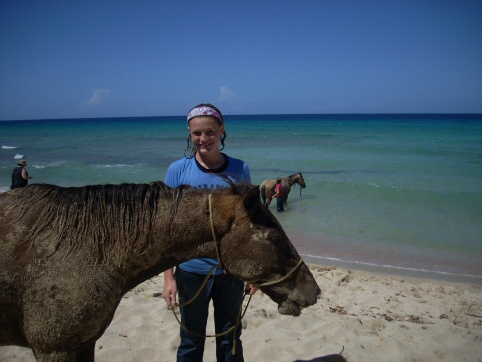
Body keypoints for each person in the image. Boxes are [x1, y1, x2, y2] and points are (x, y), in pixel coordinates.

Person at [162, 103, 257, 362]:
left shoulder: (240, 168)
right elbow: (167, 230)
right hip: (191, 272)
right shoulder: (177, 170)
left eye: (210, 132)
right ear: (189, 134)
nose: (203, 139)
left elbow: (246, 224)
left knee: (229, 339)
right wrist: (168, 279)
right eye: (197, 133)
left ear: (221, 130)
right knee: (191, 341)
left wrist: (251, 271)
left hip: (231, 271)